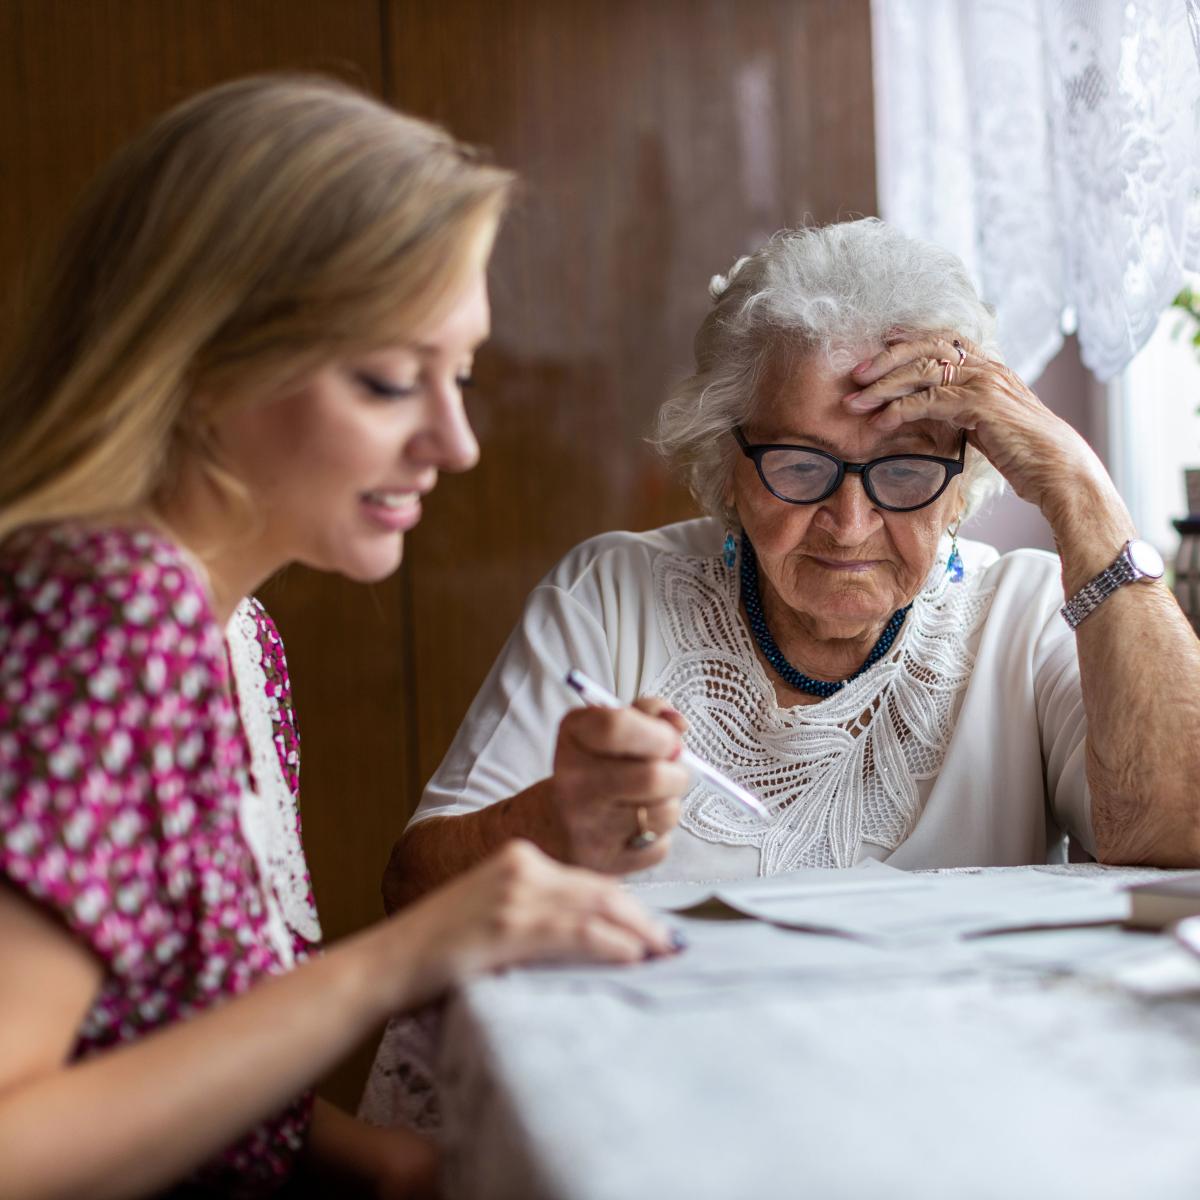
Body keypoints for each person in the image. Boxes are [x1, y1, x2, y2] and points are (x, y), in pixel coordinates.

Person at [0, 75, 687, 1199]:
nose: (456, 443)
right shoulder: (107, 616)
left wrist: (397, 1167)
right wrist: (407, 957)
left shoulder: (238, 637)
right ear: (199, 358)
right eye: (387, 380)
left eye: (459, 375)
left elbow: (140, 1052)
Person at [383, 216, 1200, 901]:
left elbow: (1182, 834)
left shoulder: (1024, 617)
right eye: (801, 466)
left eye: (906, 469)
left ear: (960, 487)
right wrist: (549, 824)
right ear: (728, 468)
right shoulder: (614, 595)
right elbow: (414, 887)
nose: (849, 525)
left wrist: (1080, 490)